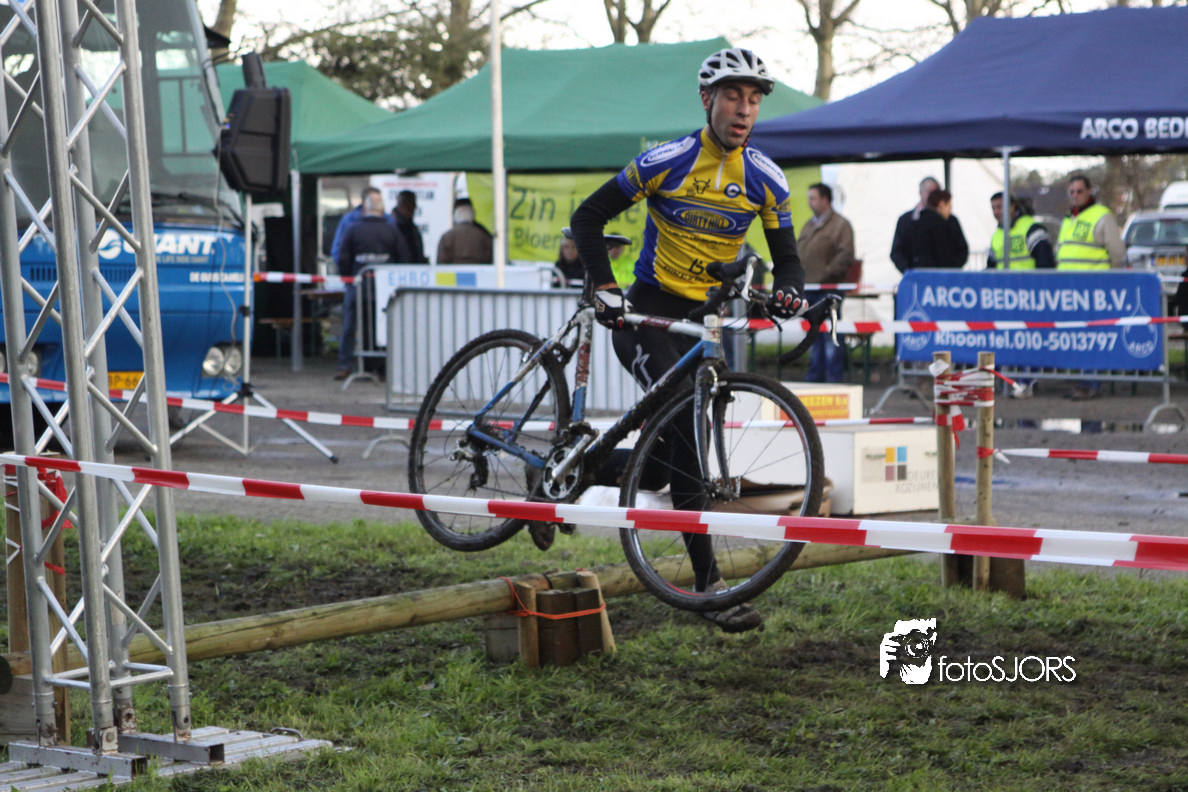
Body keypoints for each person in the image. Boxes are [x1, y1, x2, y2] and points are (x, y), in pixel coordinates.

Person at [569, 47, 806, 634]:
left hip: (705, 324)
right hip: (647, 318)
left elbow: (788, 261)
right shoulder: (667, 161)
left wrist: (789, 293)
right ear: (707, 100)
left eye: (753, 100)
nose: (743, 109)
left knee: (659, 470)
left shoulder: (766, 179)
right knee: (687, 442)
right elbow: (588, 217)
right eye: (732, 97)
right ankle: (709, 588)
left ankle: (581, 469)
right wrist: (606, 286)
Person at [1057, 174, 1126, 400]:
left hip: (1093, 289)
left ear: (1089, 192)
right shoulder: (1069, 218)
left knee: (1091, 338)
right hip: (1070, 290)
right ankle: (1084, 381)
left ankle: (1090, 384)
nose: (1075, 195)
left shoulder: (1101, 215)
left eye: (1080, 191)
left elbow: (1117, 253)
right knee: (1080, 339)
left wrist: (1108, 281)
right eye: (1072, 192)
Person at [335, 190, 411, 380]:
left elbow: (342, 258)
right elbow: (404, 257)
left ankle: (345, 364)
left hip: (357, 285)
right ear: (382, 209)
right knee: (382, 326)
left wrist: (348, 277)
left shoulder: (352, 228)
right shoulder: (392, 229)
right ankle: (382, 366)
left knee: (350, 325)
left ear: (364, 208)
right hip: (384, 288)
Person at [798, 182, 855, 383]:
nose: (809, 202)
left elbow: (846, 255)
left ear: (825, 199)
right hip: (809, 288)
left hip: (829, 289)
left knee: (831, 334)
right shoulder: (808, 225)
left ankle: (834, 377)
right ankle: (815, 375)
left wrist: (826, 273)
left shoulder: (841, 225)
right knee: (812, 335)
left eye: (813, 198)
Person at [987, 192, 1054, 270]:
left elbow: (1045, 263)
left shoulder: (1032, 229)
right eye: (993, 208)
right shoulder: (996, 235)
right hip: (1004, 278)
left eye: (1000, 207)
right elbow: (990, 268)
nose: (996, 212)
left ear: (1012, 207)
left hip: (1028, 278)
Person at [329, 186, 394, 263]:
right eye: (373, 201)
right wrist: (344, 267)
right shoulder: (349, 219)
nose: (377, 204)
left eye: (379, 201)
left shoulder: (389, 219)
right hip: (356, 267)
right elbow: (338, 248)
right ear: (364, 202)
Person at [890, 176, 939, 273]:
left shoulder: (949, 221)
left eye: (936, 193)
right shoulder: (906, 221)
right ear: (921, 193)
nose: (933, 196)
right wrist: (909, 271)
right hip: (915, 276)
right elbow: (897, 251)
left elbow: (960, 250)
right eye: (930, 192)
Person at [911, 189, 968, 269]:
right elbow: (944, 253)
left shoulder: (916, 222)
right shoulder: (941, 224)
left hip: (921, 271)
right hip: (941, 272)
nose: (950, 211)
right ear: (941, 204)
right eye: (949, 206)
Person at [436, 198, 493, 264]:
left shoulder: (447, 237)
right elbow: (491, 260)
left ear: (455, 215)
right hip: (480, 269)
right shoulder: (484, 235)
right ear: (473, 214)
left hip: (454, 270)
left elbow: (441, 263)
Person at [393, 190, 427, 264]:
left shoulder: (412, 227)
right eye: (412, 205)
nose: (415, 208)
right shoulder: (392, 227)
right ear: (404, 205)